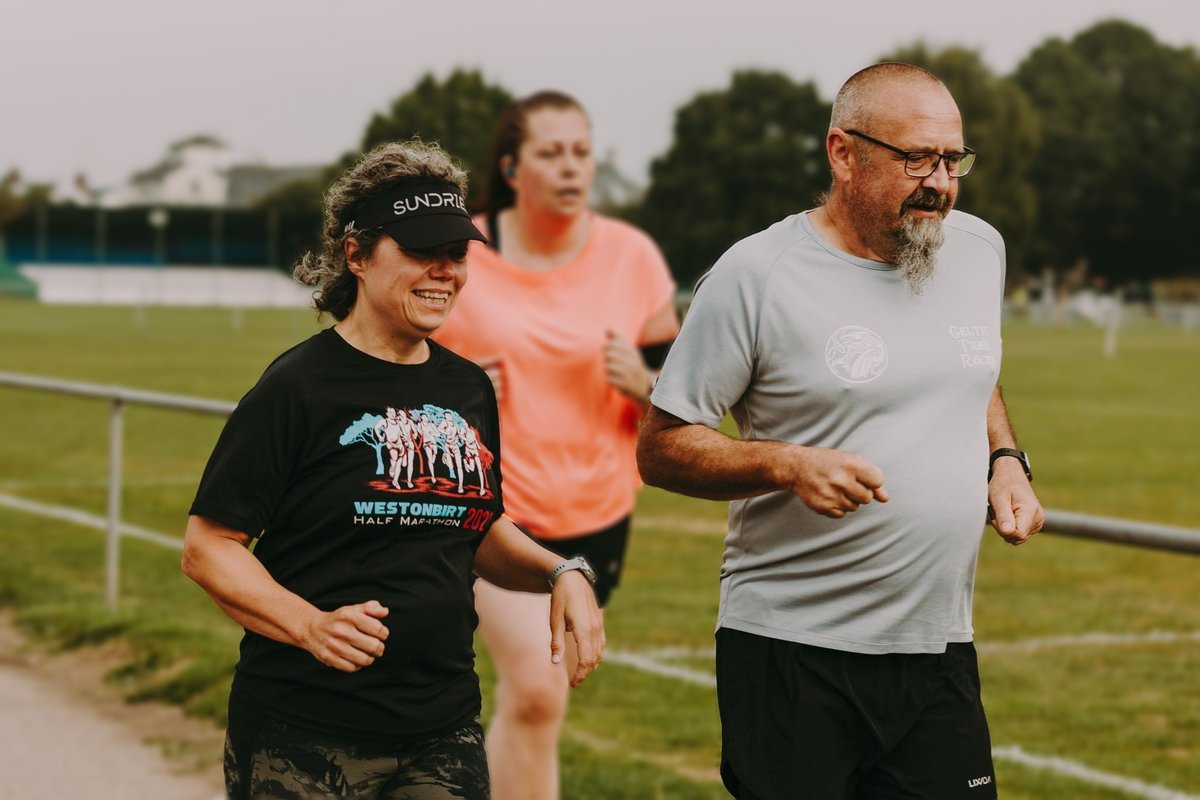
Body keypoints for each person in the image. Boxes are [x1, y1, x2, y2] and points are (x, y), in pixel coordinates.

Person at [636, 63, 1044, 800]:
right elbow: (662, 446)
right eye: (916, 157)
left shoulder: (978, 250)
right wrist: (784, 464)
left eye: (954, 160)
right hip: (793, 650)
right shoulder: (756, 276)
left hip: (938, 645)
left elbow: (971, 366)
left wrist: (1006, 458)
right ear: (843, 153)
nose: (941, 183)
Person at [180, 139, 605, 800]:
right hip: (302, 732)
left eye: (457, 253)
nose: (445, 272)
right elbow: (208, 548)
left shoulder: (467, 389)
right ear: (357, 254)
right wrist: (309, 625)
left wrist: (560, 571)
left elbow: (473, 526)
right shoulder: (296, 388)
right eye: (421, 251)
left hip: (442, 730)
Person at [433, 90, 679, 799]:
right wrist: (455, 382)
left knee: (529, 707)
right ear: (513, 167)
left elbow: (685, 391)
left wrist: (644, 384)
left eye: (581, 151)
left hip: (598, 516)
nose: (571, 167)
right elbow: (388, 359)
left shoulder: (631, 257)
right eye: (551, 153)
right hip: (490, 515)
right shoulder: (461, 254)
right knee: (539, 696)